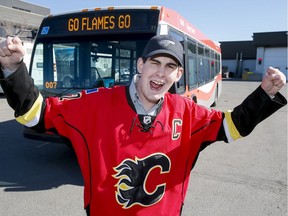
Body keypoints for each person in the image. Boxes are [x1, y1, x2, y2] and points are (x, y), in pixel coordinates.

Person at [0, 35, 287, 216]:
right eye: (155, 63)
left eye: (170, 67)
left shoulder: (188, 112)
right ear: (140, 64)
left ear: (179, 74)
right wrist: (13, 69)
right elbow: (35, 114)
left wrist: (264, 94)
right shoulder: (94, 105)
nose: (161, 73)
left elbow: (233, 126)